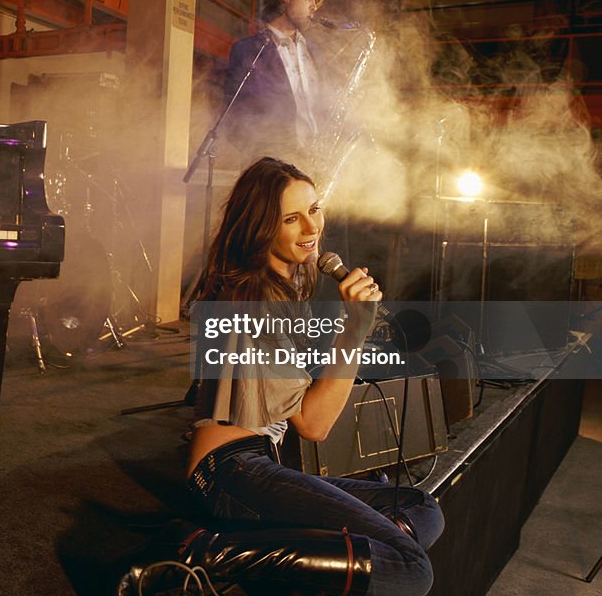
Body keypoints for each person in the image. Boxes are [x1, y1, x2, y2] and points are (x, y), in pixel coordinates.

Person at [186, 157, 444, 596]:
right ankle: (208, 552)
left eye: (315, 209)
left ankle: (342, 547)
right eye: (291, 218)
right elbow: (314, 425)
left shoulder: (284, 288)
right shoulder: (253, 301)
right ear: (261, 227)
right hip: (230, 472)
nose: (311, 228)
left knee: (420, 507)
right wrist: (355, 331)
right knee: (410, 569)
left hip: (258, 461)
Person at [222, 0, 332, 166]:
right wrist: (268, 161)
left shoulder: (315, 53)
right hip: (272, 169)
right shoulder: (247, 50)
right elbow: (233, 119)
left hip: (317, 165)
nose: (314, 7)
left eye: (317, 1)